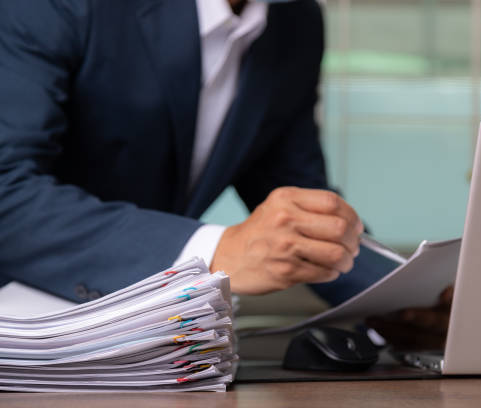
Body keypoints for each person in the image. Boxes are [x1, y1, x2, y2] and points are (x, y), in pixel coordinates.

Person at [0, 0, 363, 301]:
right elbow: (6, 191)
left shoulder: (295, 21)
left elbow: (299, 199)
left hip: (148, 340)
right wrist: (216, 252)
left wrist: (396, 296)